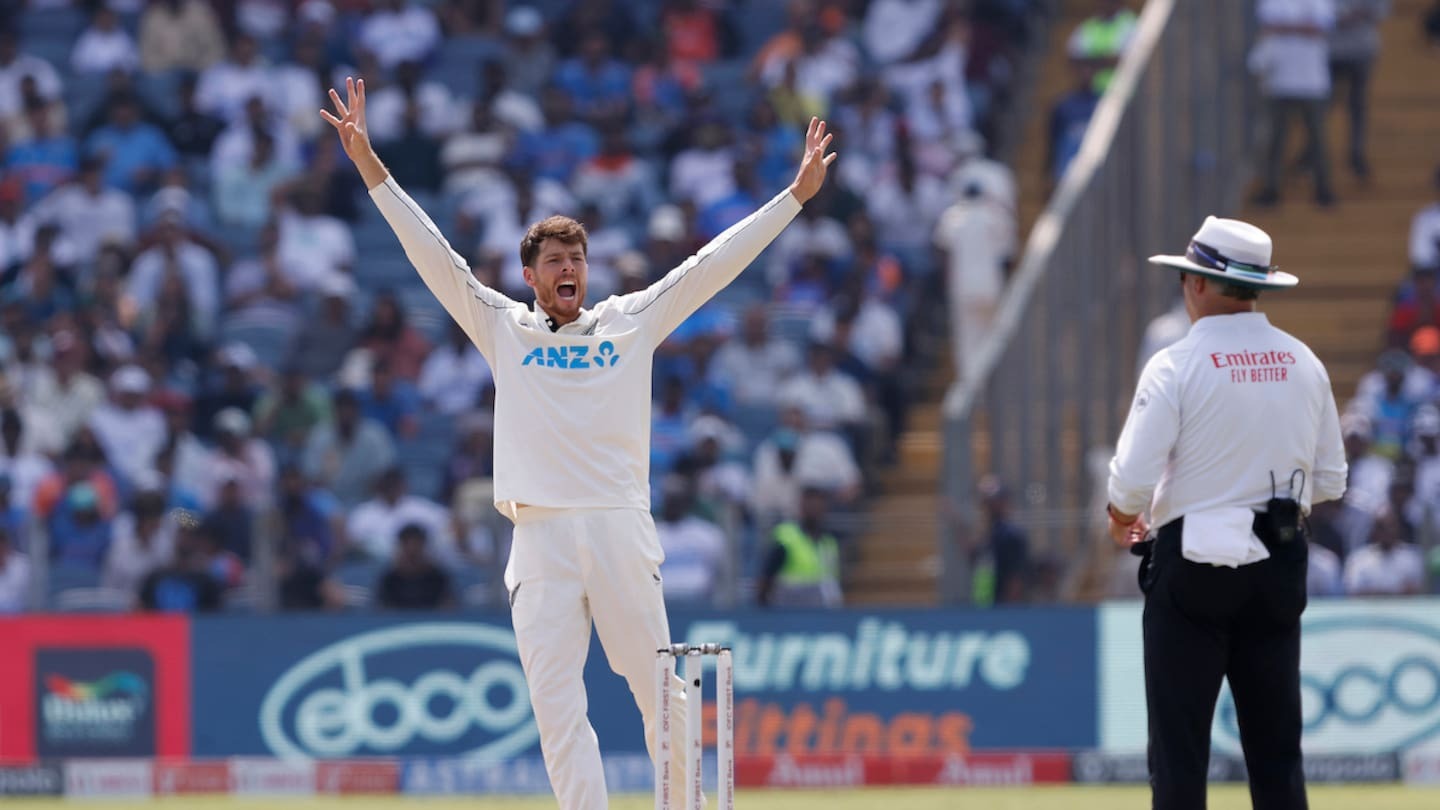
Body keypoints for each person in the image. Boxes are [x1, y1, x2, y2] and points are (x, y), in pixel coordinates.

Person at [322, 76, 835, 808]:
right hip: (540, 536)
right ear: (530, 276)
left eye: (577, 259)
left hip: (620, 524)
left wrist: (793, 200)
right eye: (555, 261)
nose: (569, 269)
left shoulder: (630, 320)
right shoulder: (503, 325)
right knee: (559, 714)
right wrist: (370, 163)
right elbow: (433, 254)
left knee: (663, 696)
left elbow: (710, 267)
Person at [1106, 216, 1346, 809]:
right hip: (1279, 558)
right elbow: (1333, 479)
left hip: (1192, 565)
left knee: (1180, 755)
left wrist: (1121, 519)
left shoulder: (1175, 364)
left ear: (1199, 285)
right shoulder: (1304, 361)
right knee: (1277, 756)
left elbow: (1131, 478)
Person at [1249, 0, 1337, 207]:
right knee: (1275, 139)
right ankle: (1271, 188)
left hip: (1313, 81)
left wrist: (1284, 28)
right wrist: (1300, 27)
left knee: (1318, 139)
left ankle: (1324, 189)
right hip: (1279, 80)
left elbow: (1321, 28)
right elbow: (1268, 26)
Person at [1327, 0, 1389, 179]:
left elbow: (1380, 11)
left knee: (1358, 106)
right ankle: (1313, 152)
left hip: (1362, 50)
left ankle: (1357, 154)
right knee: (1322, 108)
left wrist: (1350, 16)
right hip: (1330, 52)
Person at [756, 485, 843, 607]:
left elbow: (831, 583)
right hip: (790, 612)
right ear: (801, 506)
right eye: (810, 504)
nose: (814, 509)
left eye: (818, 504)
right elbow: (766, 578)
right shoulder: (786, 537)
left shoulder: (829, 542)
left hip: (820, 613)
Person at [375, 522, 455, 610]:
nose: (412, 550)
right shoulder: (390, 579)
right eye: (407, 544)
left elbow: (448, 608)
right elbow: (382, 610)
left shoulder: (438, 577)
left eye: (416, 545)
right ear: (401, 547)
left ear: (423, 546)